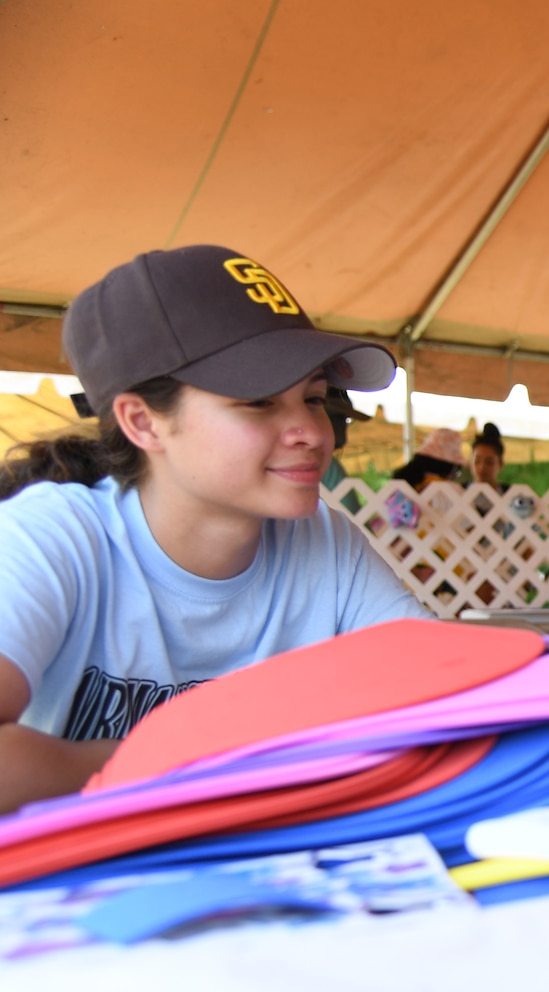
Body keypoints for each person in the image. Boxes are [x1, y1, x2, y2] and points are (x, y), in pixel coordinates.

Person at [0, 244, 426, 815]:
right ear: (143, 421)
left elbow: (459, 692)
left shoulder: (327, 543)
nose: (310, 430)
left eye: (316, 398)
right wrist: (214, 761)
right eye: (257, 401)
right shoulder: (54, 537)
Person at [470, 422, 505, 489]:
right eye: (477, 461)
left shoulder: (511, 495)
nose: (482, 467)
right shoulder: (458, 491)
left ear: (500, 464)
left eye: (489, 462)